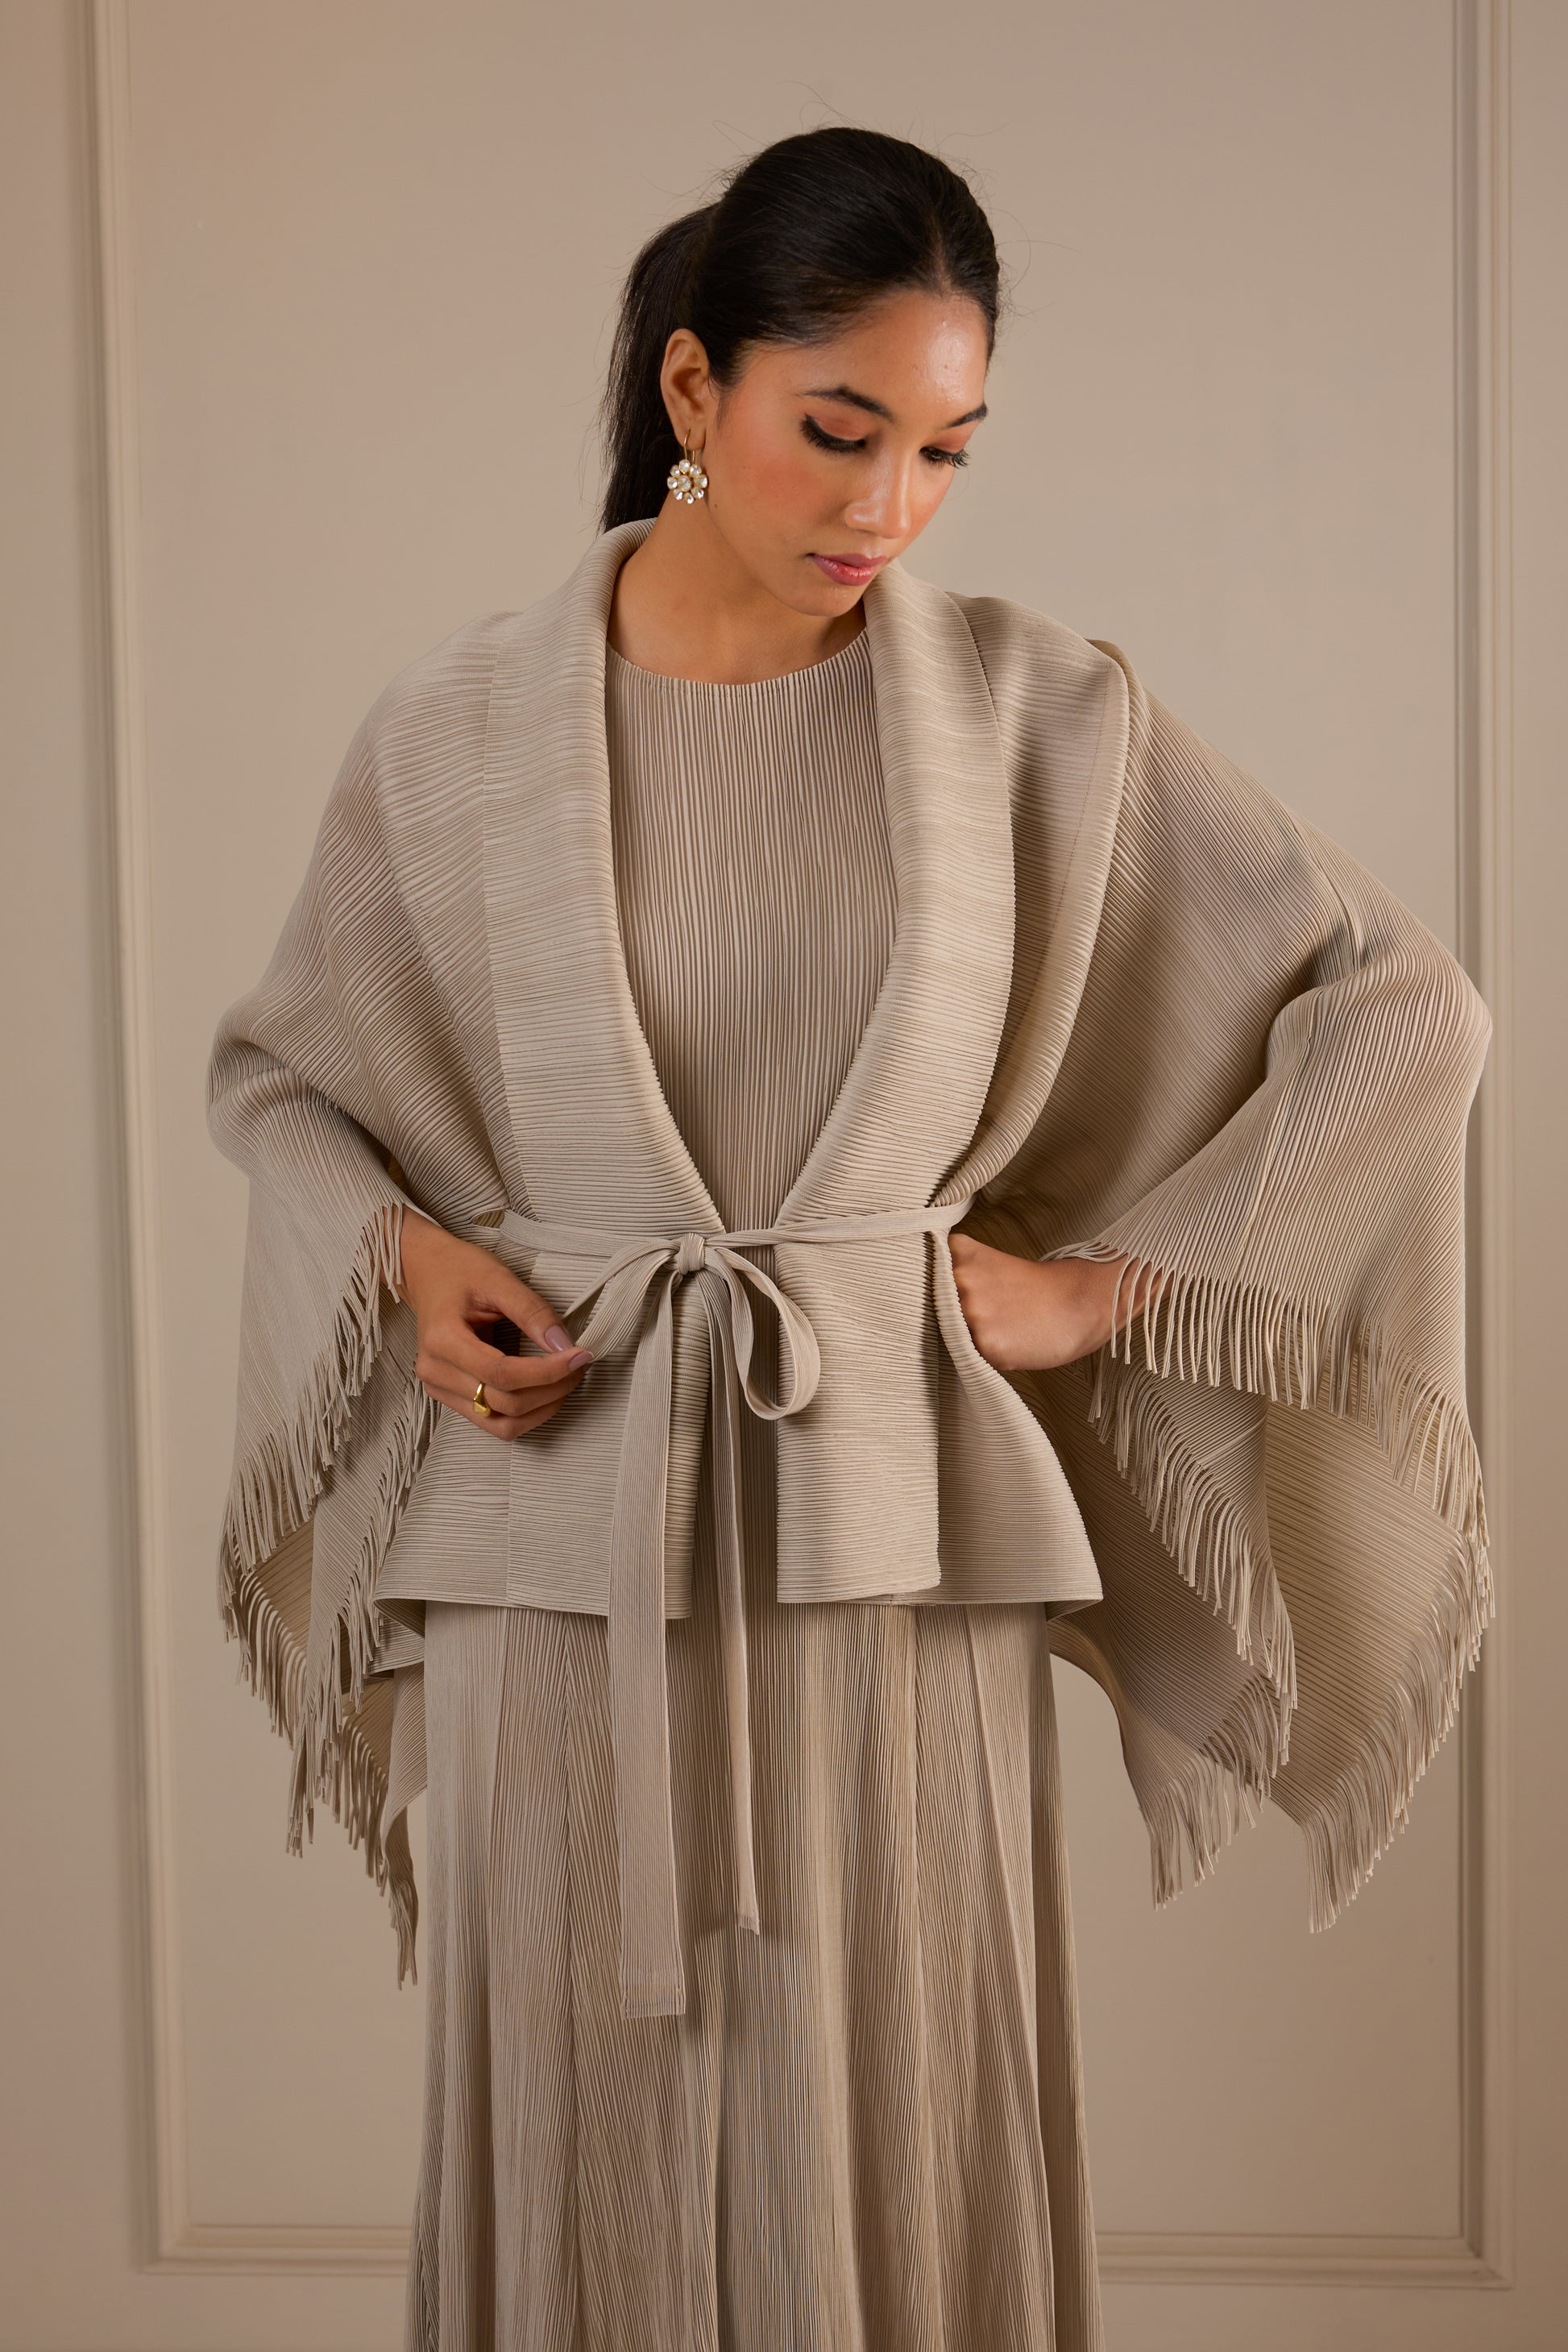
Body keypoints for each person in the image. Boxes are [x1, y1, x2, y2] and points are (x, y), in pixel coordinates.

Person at [206, 126, 1493, 2352]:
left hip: (895, 1533)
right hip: (558, 1534)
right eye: (839, 428)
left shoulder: (1031, 716)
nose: (887, 503)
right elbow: (281, 1077)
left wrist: (1115, 1288)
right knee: (583, 2139)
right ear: (694, 389)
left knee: (899, 2115)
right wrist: (407, 1264)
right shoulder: (458, 734)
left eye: (943, 450)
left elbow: (1407, 1011)